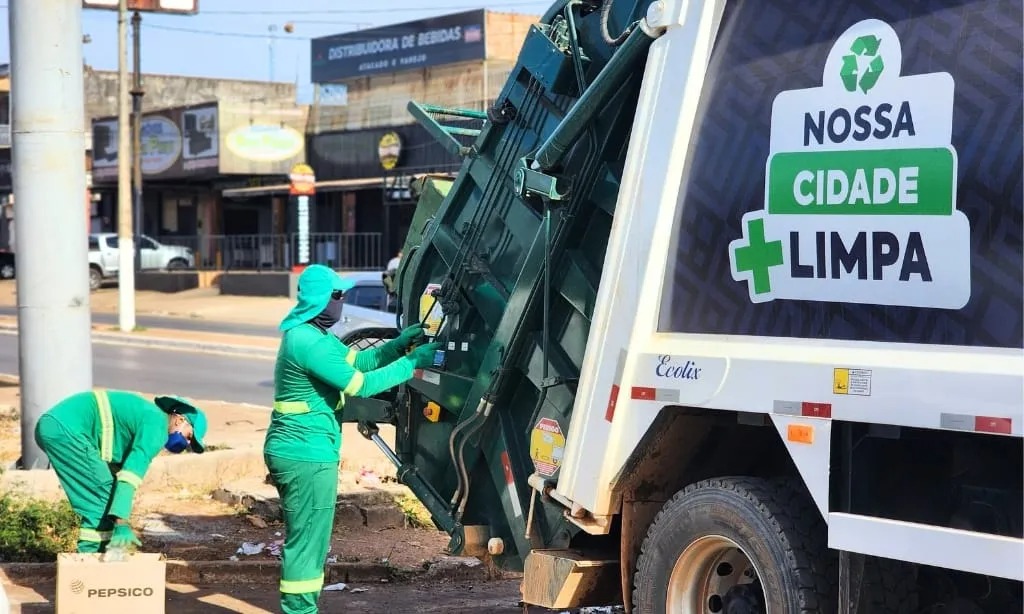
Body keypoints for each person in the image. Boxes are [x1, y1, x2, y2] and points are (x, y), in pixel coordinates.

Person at [265, 264, 439, 614]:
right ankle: (299, 610)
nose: (342, 301)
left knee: (309, 539)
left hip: (304, 450)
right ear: (321, 299)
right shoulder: (308, 343)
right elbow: (361, 384)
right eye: (338, 295)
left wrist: (398, 345)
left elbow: (360, 361)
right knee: (308, 541)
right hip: (306, 454)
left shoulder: (312, 335)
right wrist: (412, 363)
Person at [34, 390, 208, 554]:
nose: (186, 444)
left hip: (57, 425)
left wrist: (117, 515)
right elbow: (129, 476)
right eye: (189, 436)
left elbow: (119, 474)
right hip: (66, 429)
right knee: (100, 500)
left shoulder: (149, 418)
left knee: (105, 496)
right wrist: (121, 522)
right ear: (179, 420)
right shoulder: (157, 427)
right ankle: (87, 563)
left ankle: (103, 558)